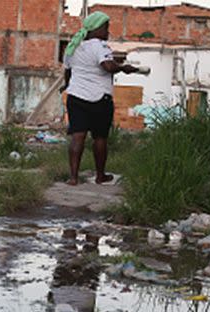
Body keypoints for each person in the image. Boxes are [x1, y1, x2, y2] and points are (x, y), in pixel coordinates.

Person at [62, 12, 141, 186]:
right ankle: (100, 176)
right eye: (105, 27)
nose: (108, 31)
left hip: (76, 97)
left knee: (78, 136)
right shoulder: (100, 46)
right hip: (99, 99)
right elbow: (108, 66)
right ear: (96, 28)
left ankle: (73, 177)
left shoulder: (72, 46)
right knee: (100, 138)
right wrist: (123, 68)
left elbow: (68, 71)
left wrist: (67, 86)